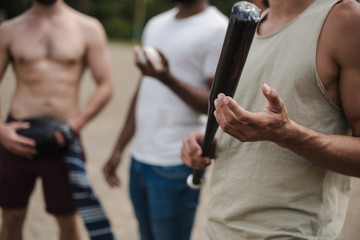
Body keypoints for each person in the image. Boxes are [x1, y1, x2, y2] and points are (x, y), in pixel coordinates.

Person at [181, 0, 360, 239]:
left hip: (290, 233)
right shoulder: (246, 22)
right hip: (218, 228)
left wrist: (287, 134)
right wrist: (211, 144)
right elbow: (255, 133)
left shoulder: (345, 18)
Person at [102, 0, 228, 239]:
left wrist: (167, 78)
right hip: (140, 158)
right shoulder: (155, 24)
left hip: (176, 161)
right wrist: (119, 147)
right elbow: (143, 91)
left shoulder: (219, 28)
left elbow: (216, 105)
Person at [0, 0, 114, 240]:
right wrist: (0, 130)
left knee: (69, 223)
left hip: (65, 137)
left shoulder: (88, 28)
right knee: (11, 219)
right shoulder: (9, 30)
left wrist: (75, 125)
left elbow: (106, 85)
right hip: (15, 135)